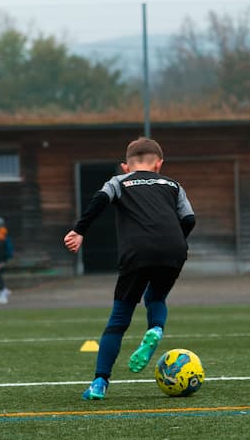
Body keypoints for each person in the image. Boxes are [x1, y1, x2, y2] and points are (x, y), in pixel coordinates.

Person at [64, 137, 196, 400]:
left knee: (118, 321)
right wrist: (173, 241)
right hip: (174, 250)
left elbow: (100, 200)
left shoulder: (119, 182)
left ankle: (100, 382)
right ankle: (156, 328)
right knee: (156, 296)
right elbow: (189, 219)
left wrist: (79, 231)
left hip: (137, 252)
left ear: (125, 166)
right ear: (159, 164)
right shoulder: (173, 184)